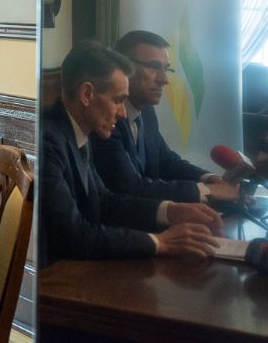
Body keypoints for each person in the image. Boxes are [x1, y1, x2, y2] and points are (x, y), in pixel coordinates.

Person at [40, 41, 224, 268]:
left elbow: (105, 203)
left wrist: (170, 211)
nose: (122, 113)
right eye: (118, 100)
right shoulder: (47, 141)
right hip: (51, 277)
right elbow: (74, 235)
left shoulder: (75, 130)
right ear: (87, 94)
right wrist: (159, 242)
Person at [90, 31, 239, 203]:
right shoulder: (104, 118)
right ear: (124, 68)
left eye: (166, 69)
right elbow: (130, 187)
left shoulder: (146, 112)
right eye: (154, 67)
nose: (164, 79)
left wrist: (212, 179)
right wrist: (208, 191)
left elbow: (167, 161)